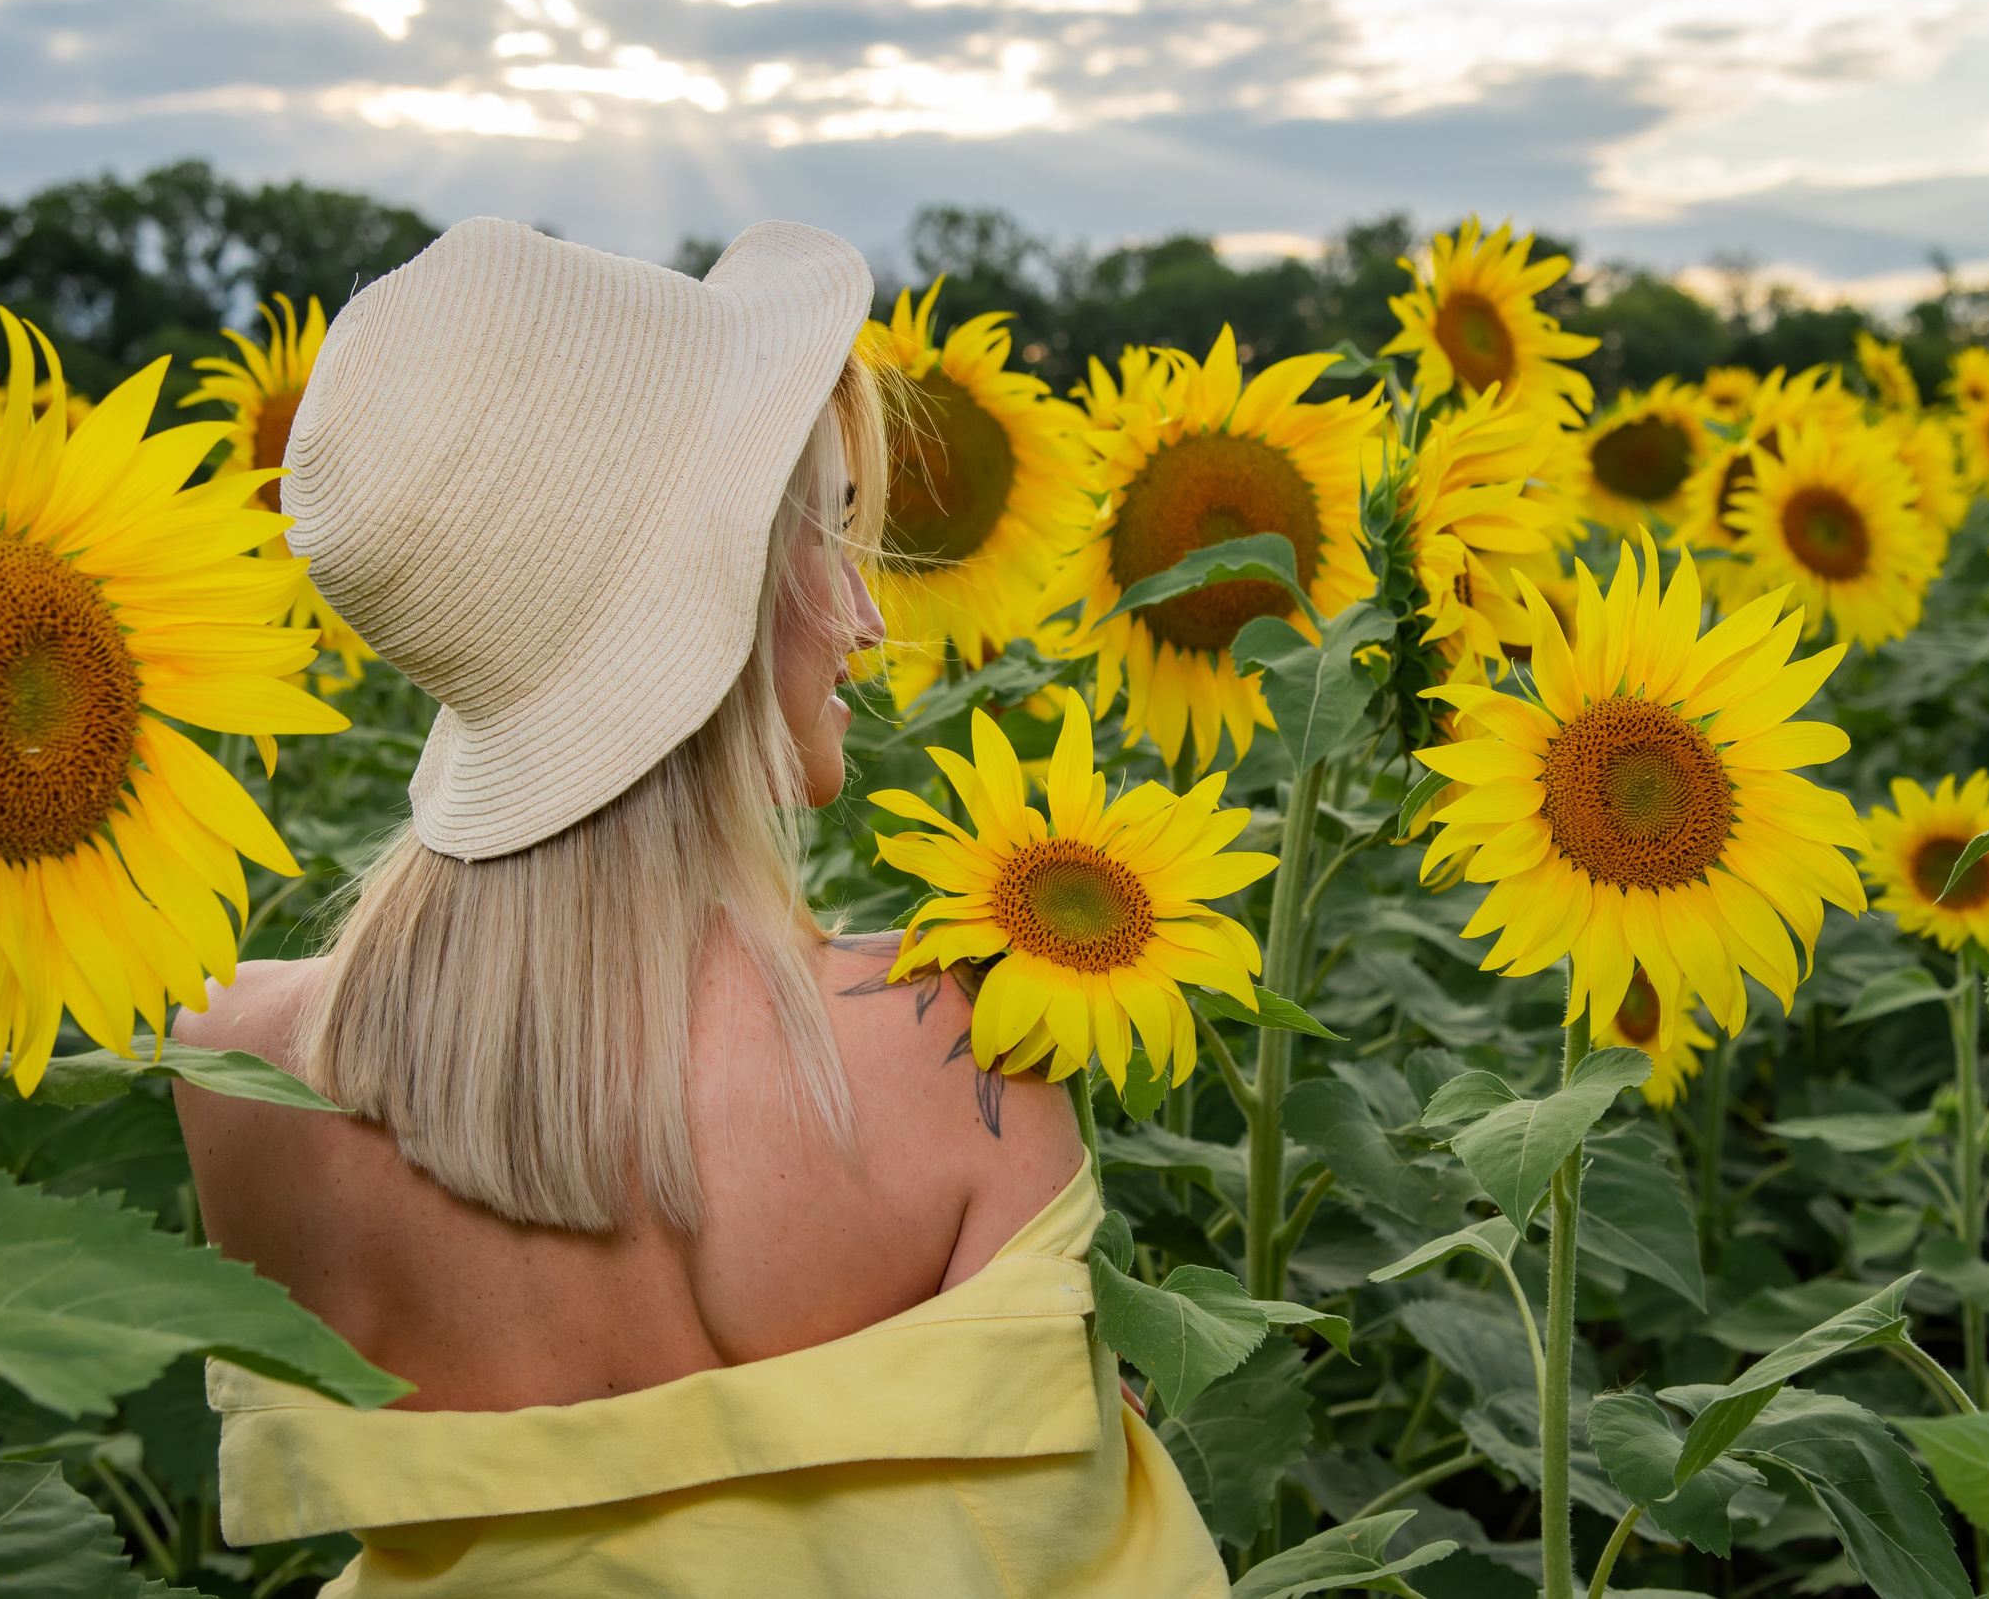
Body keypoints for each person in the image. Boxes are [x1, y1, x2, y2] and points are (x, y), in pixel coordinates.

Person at [172, 218, 1228, 1598]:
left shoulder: (241, 1069)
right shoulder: (958, 1039)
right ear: (714, 596)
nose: (864, 614)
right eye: (827, 536)